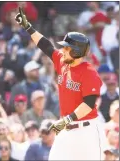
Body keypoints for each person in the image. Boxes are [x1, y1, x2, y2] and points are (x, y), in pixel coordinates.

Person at [15, 7, 106, 160]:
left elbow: (89, 103)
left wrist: (66, 120)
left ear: (77, 52)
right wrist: (28, 27)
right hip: (66, 128)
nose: (62, 50)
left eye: (67, 48)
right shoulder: (62, 61)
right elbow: (46, 46)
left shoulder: (89, 72)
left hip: (86, 130)